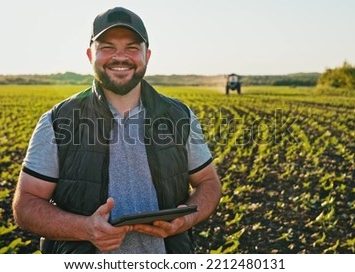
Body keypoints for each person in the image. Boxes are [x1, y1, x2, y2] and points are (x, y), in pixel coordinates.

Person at [12, 6, 222, 254]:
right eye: (107, 47)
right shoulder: (58, 121)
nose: (120, 57)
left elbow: (209, 183)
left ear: (147, 56)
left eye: (132, 48)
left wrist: (186, 220)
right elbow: (25, 205)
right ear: (91, 55)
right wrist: (85, 228)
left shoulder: (179, 117)